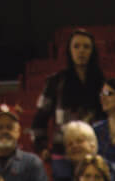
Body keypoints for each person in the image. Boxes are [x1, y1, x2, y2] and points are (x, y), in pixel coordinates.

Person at [31, 27, 104, 158]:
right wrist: (41, 147)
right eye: (76, 46)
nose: (81, 50)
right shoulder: (55, 82)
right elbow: (39, 120)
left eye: (86, 47)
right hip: (63, 152)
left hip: (95, 154)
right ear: (69, 51)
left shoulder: (103, 83)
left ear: (93, 51)